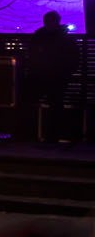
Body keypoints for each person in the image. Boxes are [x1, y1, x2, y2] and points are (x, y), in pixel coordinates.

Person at [29, 10, 78, 141]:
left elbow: (33, 54)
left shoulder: (39, 36)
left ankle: (33, 134)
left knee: (34, 101)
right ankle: (53, 136)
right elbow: (74, 58)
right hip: (58, 76)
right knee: (56, 104)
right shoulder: (66, 38)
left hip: (42, 75)